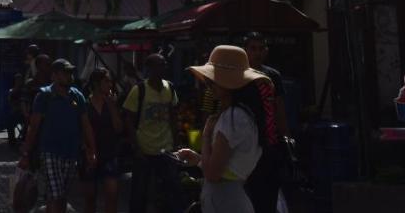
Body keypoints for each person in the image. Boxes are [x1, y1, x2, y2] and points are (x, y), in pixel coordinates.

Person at [177, 45, 268, 213]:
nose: (209, 85)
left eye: (213, 82)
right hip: (229, 198)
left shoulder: (233, 118)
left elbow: (212, 174)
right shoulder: (241, 115)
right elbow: (226, 167)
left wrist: (206, 136)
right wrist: (198, 159)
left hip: (225, 201)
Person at [19, 58, 97, 213]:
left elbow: (86, 125)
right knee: (56, 195)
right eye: (65, 73)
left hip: (71, 153)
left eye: (70, 72)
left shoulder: (77, 96)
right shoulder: (44, 96)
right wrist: (26, 153)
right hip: (50, 153)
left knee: (62, 196)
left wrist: (92, 151)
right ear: (54, 75)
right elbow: (33, 127)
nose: (69, 76)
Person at [123, 52, 181, 213]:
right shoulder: (139, 90)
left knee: (172, 190)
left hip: (166, 149)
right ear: (150, 68)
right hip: (144, 149)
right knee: (139, 193)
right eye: (160, 64)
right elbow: (129, 121)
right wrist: (136, 148)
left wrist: (176, 144)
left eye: (164, 64)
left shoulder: (170, 87)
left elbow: (173, 116)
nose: (164, 67)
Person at [242, 33, 288, 213]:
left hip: (270, 143)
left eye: (261, 48)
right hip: (247, 144)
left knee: (269, 194)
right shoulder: (239, 77)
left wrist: (286, 138)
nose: (257, 53)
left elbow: (280, 110)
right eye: (253, 48)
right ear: (245, 51)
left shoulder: (273, 76)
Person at [84, 67, 124, 213]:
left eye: (110, 81)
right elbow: (81, 130)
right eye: (106, 81)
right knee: (90, 198)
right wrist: (86, 149)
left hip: (110, 153)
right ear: (96, 83)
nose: (110, 84)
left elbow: (119, 128)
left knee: (112, 196)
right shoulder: (85, 104)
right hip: (89, 155)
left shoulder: (111, 103)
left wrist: (112, 105)